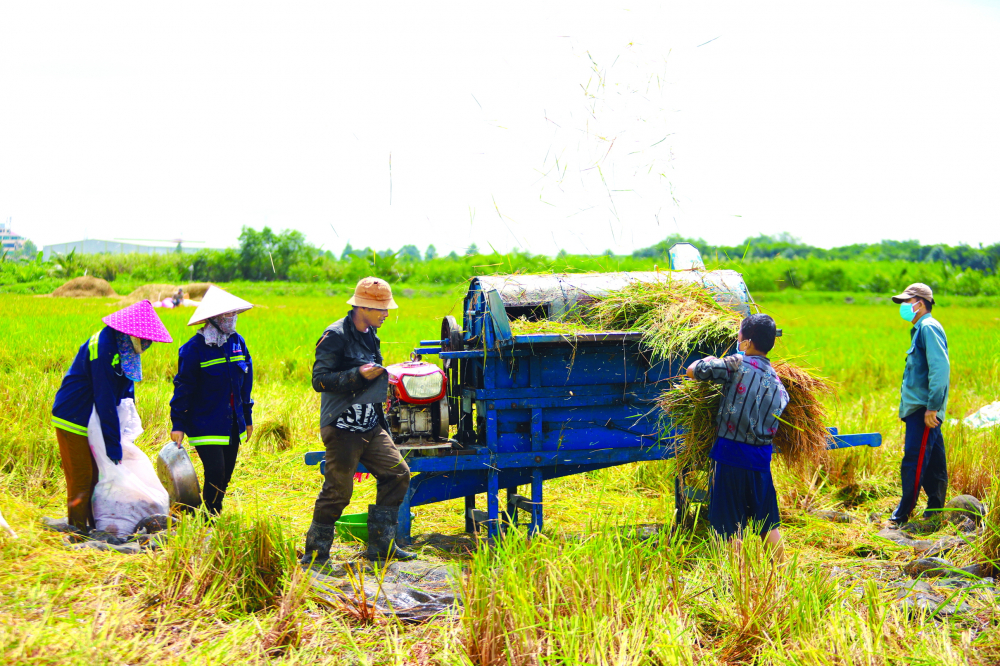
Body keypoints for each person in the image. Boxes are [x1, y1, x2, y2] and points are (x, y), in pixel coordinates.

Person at [302, 276, 415, 564]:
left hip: (370, 424)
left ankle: (382, 547)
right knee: (339, 491)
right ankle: (315, 555)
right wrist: (357, 375)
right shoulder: (335, 335)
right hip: (342, 426)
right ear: (363, 307)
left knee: (398, 474)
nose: (387, 314)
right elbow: (319, 380)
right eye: (382, 309)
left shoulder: (370, 335)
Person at [50, 299, 173, 532]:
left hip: (92, 417)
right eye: (144, 339)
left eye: (150, 341)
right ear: (131, 332)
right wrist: (112, 443)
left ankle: (96, 528)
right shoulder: (103, 345)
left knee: (97, 478)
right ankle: (77, 534)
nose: (147, 345)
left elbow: (127, 390)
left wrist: (125, 430)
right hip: (74, 414)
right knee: (82, 477)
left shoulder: (126, 348)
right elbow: (105, 396)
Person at [685, 313, 790, 562]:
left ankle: (737, 583)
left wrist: (711, 359)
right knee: (767, 523)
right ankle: (784, 575)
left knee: (730, 526)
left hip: (731, 457)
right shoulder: (779, 384)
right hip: (761, 462)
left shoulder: (737, 364)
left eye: (740, 335)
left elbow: (693, 371)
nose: (737, 339)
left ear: (748, 343)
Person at [169, 286, 255, 516]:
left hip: (232, 422)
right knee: (215, 472)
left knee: (225, 474)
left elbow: (245, 385)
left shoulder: (237, 343)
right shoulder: (193, 350)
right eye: (227, 315)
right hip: (205, 422)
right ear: (214, 318)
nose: (232, 319)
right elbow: (183, 388)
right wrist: (178, 423)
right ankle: (211, 518)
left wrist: (247, 418)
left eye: (234, 313)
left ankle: (211, 514)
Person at [888, 283, 950, 528]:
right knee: (934, 459)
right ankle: (935, 511)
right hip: (920, 409)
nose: (903, 306)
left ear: (920, 303)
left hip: (924, 410)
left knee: (914, 460)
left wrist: (932, 408)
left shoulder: (928, 327)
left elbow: (940, 369)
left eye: (906, 301)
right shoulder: (921, 329)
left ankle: (902, 513)